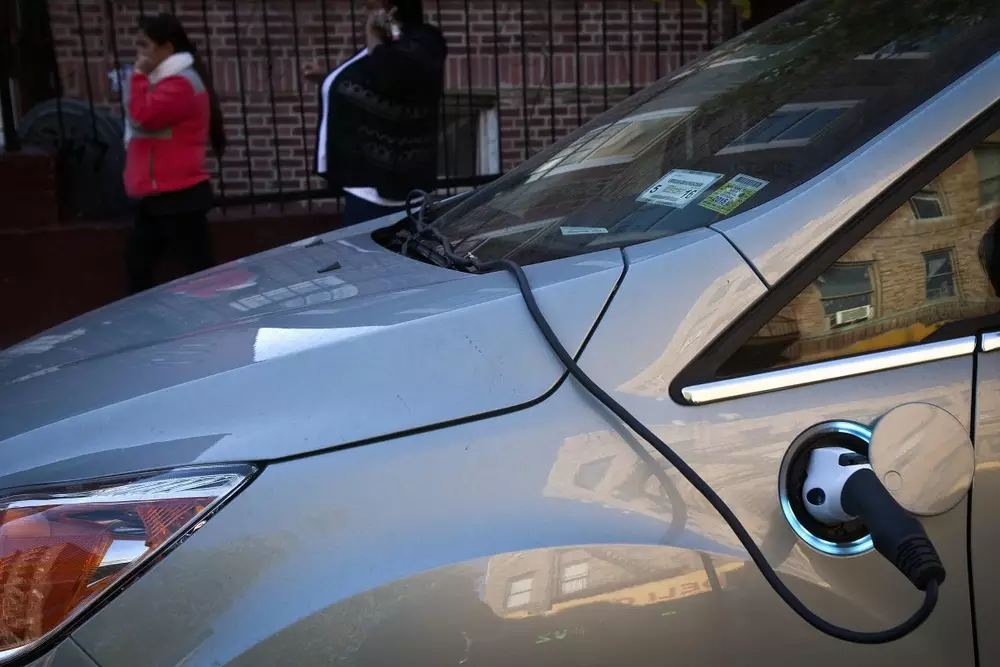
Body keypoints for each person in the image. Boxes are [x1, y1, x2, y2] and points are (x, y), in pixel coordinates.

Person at [306, 0, 447, 227]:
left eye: (371, 8)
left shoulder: (422, 41)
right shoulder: (388, 44)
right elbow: (371, 91)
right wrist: (329, 81)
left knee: (394, 246)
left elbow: (391, 80)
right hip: (365, 183)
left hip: (396, 184)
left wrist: (373, 38)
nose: (366, 14)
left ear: (393, 7)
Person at [123, 13, 226, 294]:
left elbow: (141, 116)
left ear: (166, 48)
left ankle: (218, 315)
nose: (139, 53)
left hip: (179, 195)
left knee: (199, 269)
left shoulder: (180, 85)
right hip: (160, 194)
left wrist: (137, 75)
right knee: (138, 266)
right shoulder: (166, 82)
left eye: (144, 45)